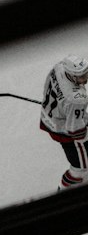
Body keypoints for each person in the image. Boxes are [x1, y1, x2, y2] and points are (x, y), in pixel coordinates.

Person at [40, 56, 88, 189]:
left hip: (49, 116)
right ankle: (63, 191)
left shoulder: (59, 67)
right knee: (82, 169)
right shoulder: (77, 99)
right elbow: (76, 132)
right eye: (81, 77)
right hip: (63, 130)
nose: (85, 79)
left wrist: (62, 107)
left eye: (85, 74)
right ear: (72, 75)